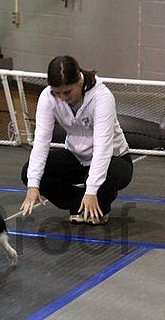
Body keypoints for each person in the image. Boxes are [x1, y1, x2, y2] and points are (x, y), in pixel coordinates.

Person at [20, 55, 133, 225]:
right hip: (76, 157)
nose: (63, 98)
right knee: (28, 173)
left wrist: (92, 190)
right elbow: (41, 142)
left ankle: (99, 201)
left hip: (115, 160)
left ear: (79, 81)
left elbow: (103, 148)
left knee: (104, 177)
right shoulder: (47, 97)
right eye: (57, 93)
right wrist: (33, 186)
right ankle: (81, 206)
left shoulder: (102, 97)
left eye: (67, 92)